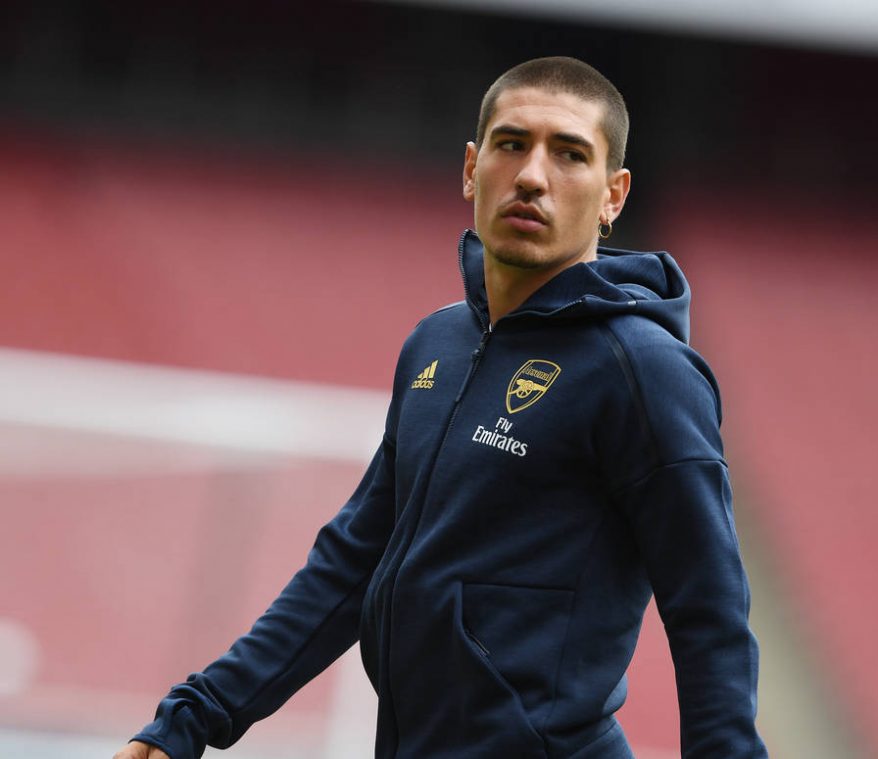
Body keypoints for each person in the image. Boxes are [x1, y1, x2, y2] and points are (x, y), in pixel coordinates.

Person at [114, 56, 768, 759]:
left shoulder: (645, 370)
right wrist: (197, 712)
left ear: (613, 195)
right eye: (511, 144)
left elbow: (709, 610)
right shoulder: (437, 342)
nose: (532, 175)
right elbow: (352, 560)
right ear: (470, 167)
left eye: (570, 153)